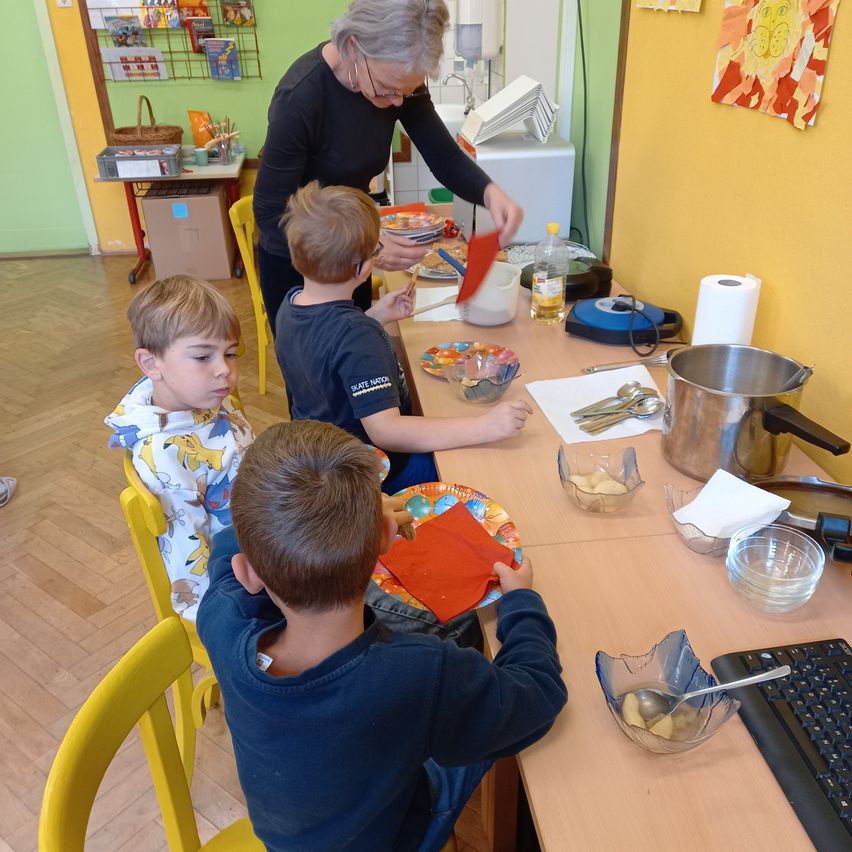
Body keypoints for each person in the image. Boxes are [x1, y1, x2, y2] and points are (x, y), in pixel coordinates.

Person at [197, 420, 567, 852]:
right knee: (482, 728)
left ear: (249, 572)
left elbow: (229, 550)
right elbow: (538, 695)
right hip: (390, 836)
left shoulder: (221, 618)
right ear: (388, 541)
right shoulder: (420, 672)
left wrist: (360, 517)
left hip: (286, 839)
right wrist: (522, 604)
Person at [252, 0, 524, 329]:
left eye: (406, 91)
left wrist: (490, 192)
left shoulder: (398, 78)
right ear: (354, 46)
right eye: (389, 89)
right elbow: (270, 214)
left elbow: (443, 154)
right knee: (318, 370)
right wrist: (368, 244)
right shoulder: (299, 99)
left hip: (356, 256)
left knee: (360, 351)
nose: (397, 102)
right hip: (300, 268)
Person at [276, 182, 533, 495]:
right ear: (361, 267)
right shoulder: (357, 337)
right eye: (376, 250)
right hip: (375, 478)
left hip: (325, 464)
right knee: (476, 468)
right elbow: (387, 430)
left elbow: (325, 351)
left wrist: (376, 316)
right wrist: (486, 427)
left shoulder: (291, 306)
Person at [105, 275, 254, 622]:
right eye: (203, 357)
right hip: (234, 585)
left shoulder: (208, 397)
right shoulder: (163, 456)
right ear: (151, 364)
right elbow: (191, 564)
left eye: (230, 354)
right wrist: (224, 626)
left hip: (265, 527)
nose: (224, 371)